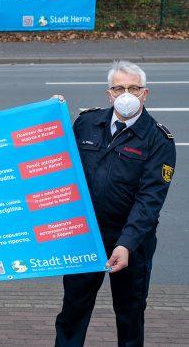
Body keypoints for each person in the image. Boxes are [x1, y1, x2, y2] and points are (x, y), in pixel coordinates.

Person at [54, 60, 176, 347]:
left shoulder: (158, 140)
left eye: (133, 88)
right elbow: (57, 159)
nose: (126, 93)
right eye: (119, 87)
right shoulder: (86, 123)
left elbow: (150, 199)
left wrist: (126, 244)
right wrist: (52, 114)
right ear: (109, 93)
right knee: (72, 312)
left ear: (145, 94)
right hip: (86, 237)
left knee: (130, 315)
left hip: (131, 242)